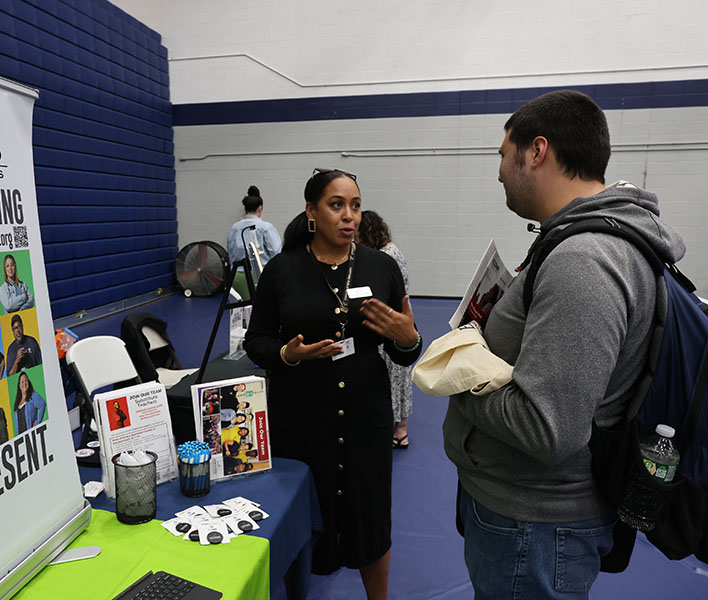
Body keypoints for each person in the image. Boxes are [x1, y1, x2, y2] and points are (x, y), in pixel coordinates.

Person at [442, 90, 686, 599]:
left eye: (503, 155)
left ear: (536, 151)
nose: (499, 172)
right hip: (528, 519)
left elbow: (548, 428)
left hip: (533, 528)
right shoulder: (577, 240)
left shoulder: (584, 260)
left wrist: (458, 378)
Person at [244, 168, 422, 599]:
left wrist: (409, 338)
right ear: (311, 211)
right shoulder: (282, 271)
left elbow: (403, 351)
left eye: (356, 206)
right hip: (301, 419)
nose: (349, 216)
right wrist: (289, 354)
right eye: (336, 205)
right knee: (302, 519)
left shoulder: (381, 267)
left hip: (366, 417)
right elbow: (256, 341)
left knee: (370, 520)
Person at [357, 210, 415, 450]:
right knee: (398, 377)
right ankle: (399, 428)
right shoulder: (389, 251)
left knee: (397, 377)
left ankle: (400, 430)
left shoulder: (385, 257)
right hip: (394, 320)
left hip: (393, 322)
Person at [227, 185, 283, 298]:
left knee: (240, 306)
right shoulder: (266, 227)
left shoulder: (234, 228)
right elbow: (277, 254)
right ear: (260, 208)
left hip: (236, 277)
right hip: (259, 277)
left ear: (245, 209)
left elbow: (231, 253)